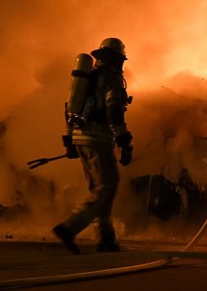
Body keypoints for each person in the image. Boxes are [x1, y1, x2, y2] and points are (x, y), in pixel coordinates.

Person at [53, 37, 134, 254]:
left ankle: (106, 240)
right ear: (117, 59)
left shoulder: (88, 78)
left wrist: (70, 139)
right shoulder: (112, 79)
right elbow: (114, 111)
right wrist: (124, 140)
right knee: (106, 187)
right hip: (98, 140)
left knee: (99, 189)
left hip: (80, 137)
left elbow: (70, 108)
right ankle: (69, 228)